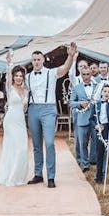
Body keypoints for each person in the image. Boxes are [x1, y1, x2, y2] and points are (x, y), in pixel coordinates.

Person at [26, 43, 76, 189]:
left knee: (49, 143)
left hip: (48, 109)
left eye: (38, 59)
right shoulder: (27, 76)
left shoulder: (51, 72)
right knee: (36, 144)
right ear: (32, 61)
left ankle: (51, 176)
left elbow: (65, 69)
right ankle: (38, 174)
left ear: (43, 60)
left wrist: (71, 56)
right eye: (34, 59)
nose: (36, 62)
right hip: (33, 108)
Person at [0, 51, 29, 186]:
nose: (18, 78)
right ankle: (10, 178)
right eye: (16, 76)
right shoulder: (10, 87)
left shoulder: (26, 90)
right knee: (13, 147)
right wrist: (9, 63)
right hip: (10, 121)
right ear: (13, 77)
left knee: (23, 148)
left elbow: (24, 107)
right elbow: (8, 76)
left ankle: (18, 176)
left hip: (21, 121)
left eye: (21, 76)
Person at [70, 64, 98, 172]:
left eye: (88, 74)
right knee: (83, 143)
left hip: (95, 118)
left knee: (96, 141)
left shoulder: (98, 86)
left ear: (91, 74)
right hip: (82, 119)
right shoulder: (77, 88)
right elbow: (71, 102)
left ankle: (95, 160)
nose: (86, 76)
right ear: (81, 75)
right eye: (84, 75)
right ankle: (85, 164)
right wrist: (80, 103)